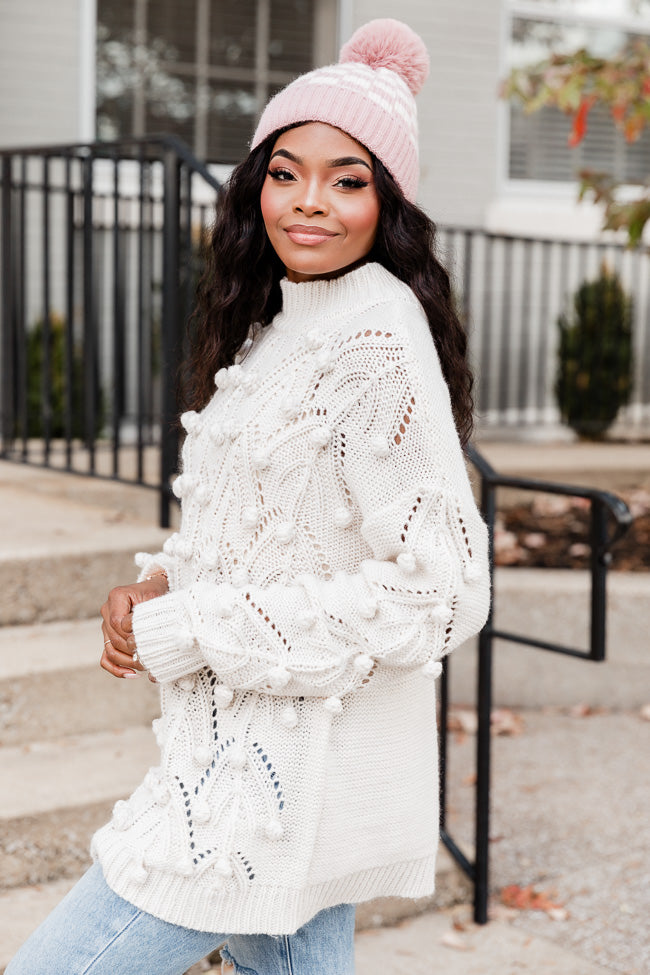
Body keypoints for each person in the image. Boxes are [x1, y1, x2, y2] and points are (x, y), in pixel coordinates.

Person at [7, 18, 490, 975]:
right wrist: (158, 581)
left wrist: (200, 626)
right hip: (253, 768)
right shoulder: (279, 326)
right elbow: (264, 522)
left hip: (264, 790)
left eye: (348, 179)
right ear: (256, 182)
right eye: (285, 171)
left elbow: (443, 593)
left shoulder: (375, 339)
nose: (309, 203)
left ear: (387, 201)